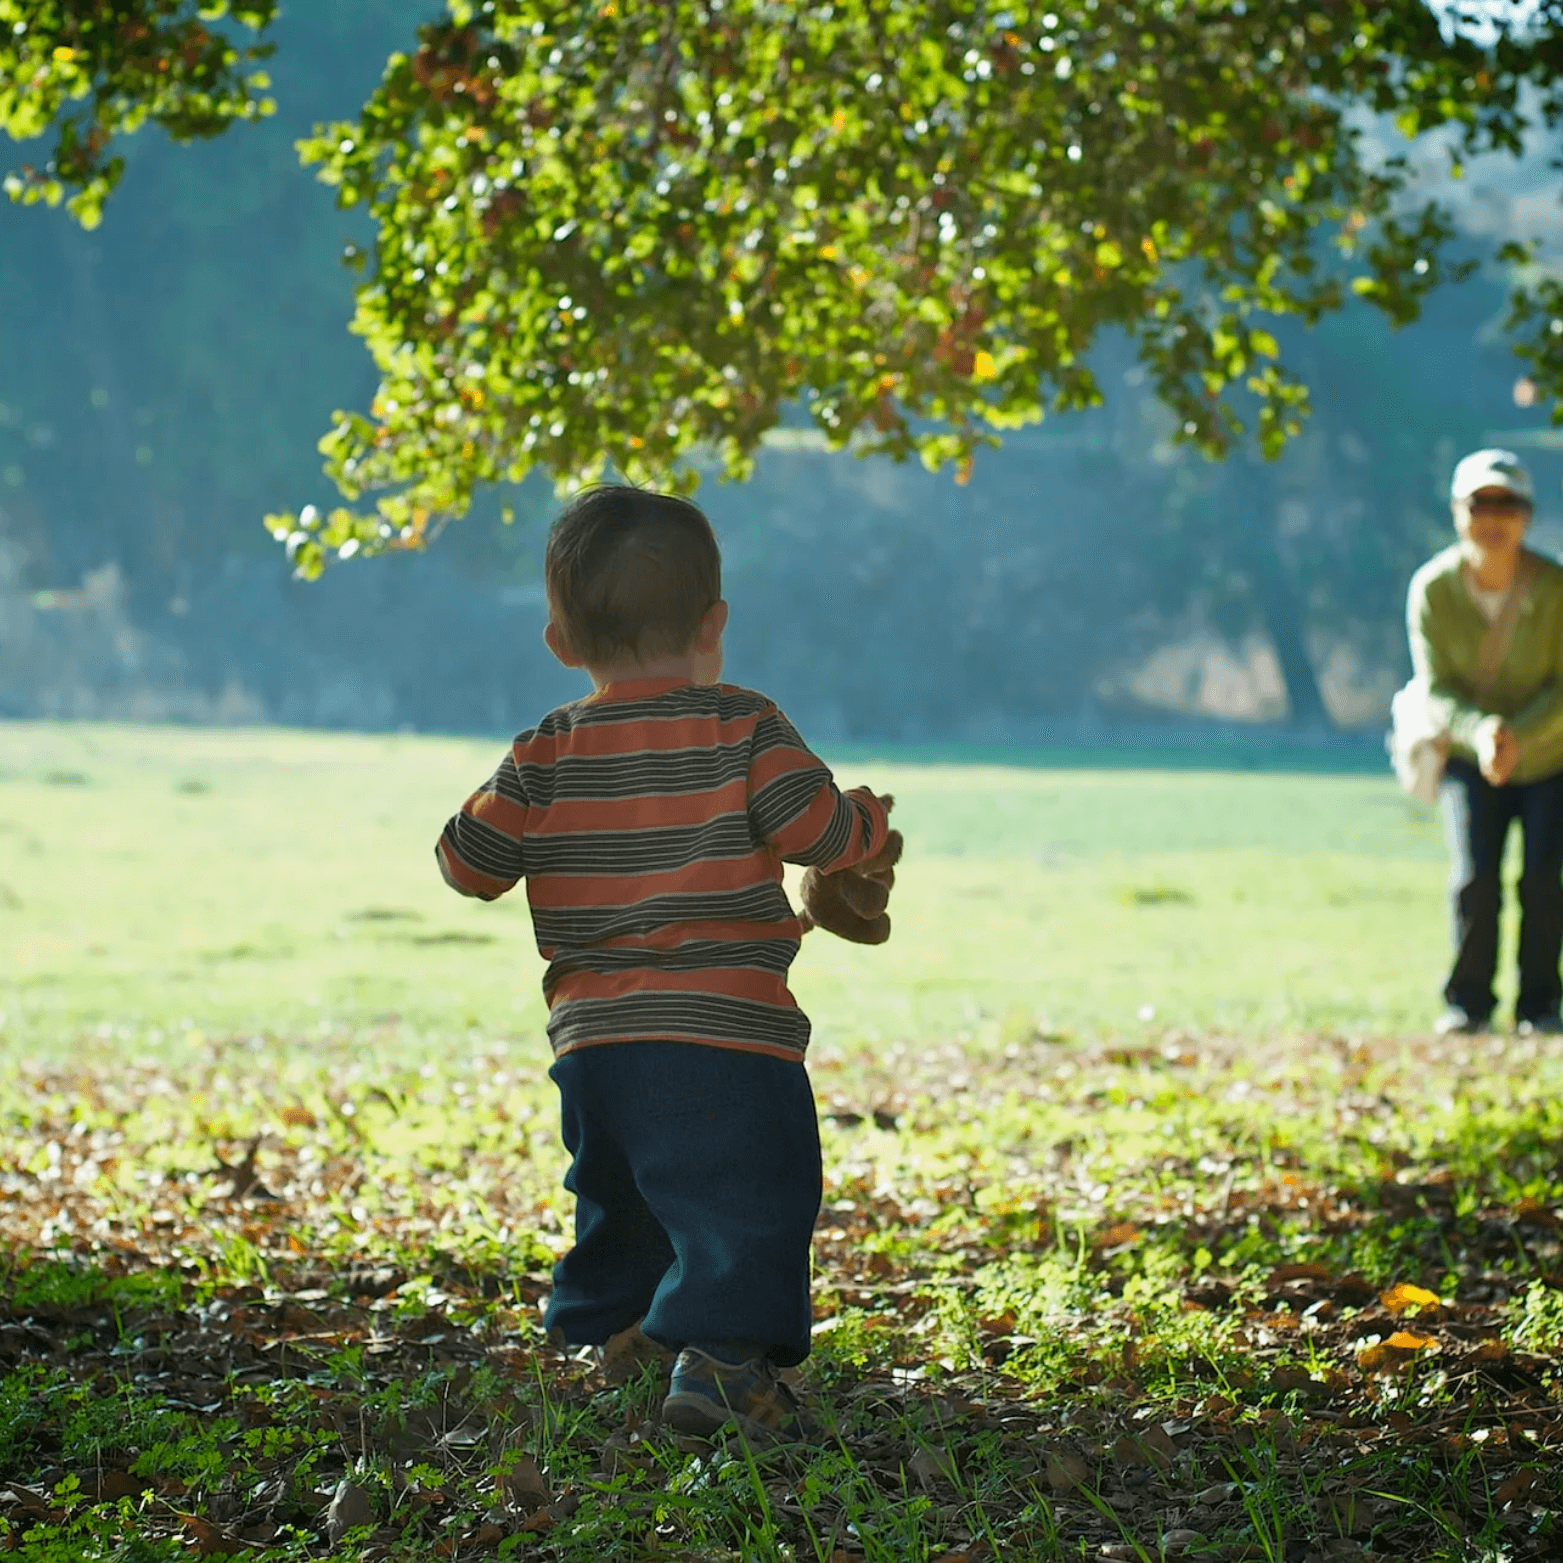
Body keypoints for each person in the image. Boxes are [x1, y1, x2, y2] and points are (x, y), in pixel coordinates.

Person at [434, 485, 894, 1442]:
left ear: (559, 640)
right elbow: (814, 828)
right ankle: (723, 1364)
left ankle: (626, 1332)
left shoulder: (543, 750)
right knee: (748, 1196)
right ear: (714, 623)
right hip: (728, 1032)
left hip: (595, 1045)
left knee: (625, 1189)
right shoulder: (745, 725)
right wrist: (866, 825)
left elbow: (466, 864)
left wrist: (512, 798)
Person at [1407, 447, 1563, 1035]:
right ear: (1457, 512)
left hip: (1551, 755)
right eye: (1481, 504)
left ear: (1527, 515)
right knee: (1475, 878)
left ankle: (1541, 1007)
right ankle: (1468, 1005)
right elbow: (1436, 688)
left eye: (1508, 504)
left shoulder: (1555, 589)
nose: (1493, 519)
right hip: (1472, 759)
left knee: (1545, 879)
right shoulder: (1433, 590)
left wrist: (1518, 735)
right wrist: (1484, 733)